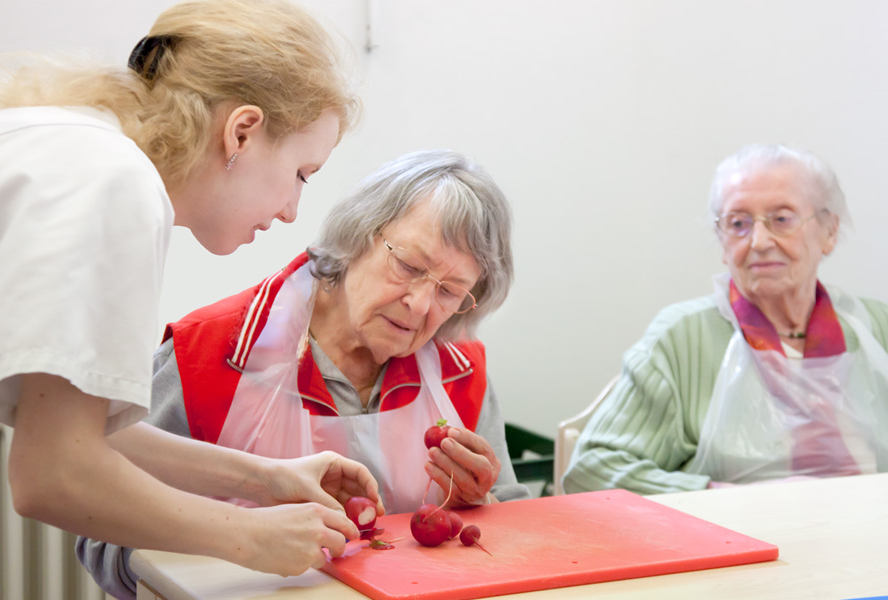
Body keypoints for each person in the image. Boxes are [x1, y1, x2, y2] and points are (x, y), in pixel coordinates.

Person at [0, 0, 384, 579]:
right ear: (242, 131)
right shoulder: (114, 182)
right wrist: (251, 537)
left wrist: (268, 480)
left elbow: (81, 432)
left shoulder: (79, 151)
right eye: (301, 174)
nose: (292, 211)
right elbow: (52, 474)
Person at [77, 149, 531, 599]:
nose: (420, 304)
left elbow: (513, 534)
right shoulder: (208, 353)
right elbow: (104, 541)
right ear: (358, 235)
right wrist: (236, 537)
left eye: (451, 292)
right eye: (409, 266)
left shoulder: (461, 371)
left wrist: (480, 503)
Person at [562, 144, 888, 495]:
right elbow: (592, 469)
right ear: (722, 240)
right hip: (747, 543)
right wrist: (729, 500)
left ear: (829, 231)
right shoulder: (682, 338)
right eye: (739, 223)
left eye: (781, 219)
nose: (759, 241)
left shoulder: (875, 327)